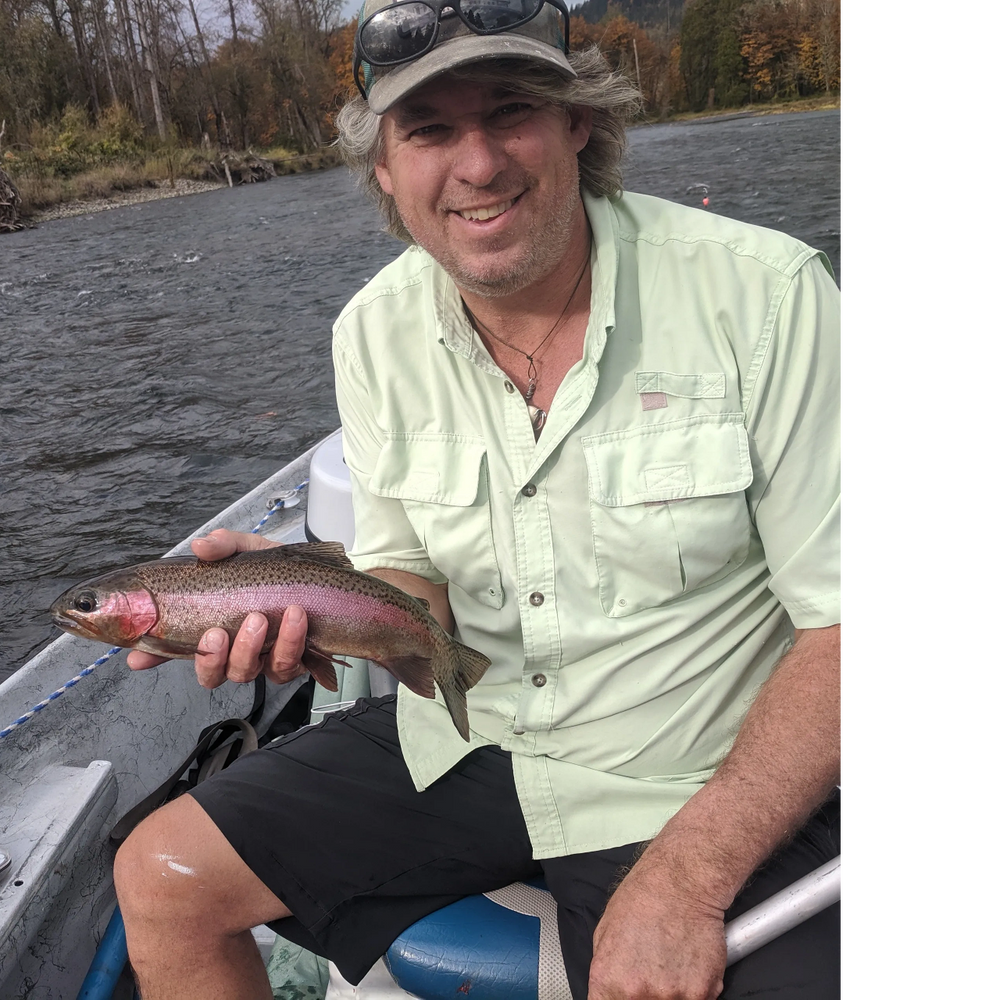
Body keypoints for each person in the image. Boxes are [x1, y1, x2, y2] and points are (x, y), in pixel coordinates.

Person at [113, 1, 843, 997]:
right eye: (429, 130)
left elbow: (837, 627)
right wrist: (311, 604)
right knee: (161, 879)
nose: (479, 164)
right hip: (462, 737)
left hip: (690, 777)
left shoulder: (767, 297)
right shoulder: (371, 334)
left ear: (578, 122)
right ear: (383, 166)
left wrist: (685, 879)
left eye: (510, 113)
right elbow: (414, 578)